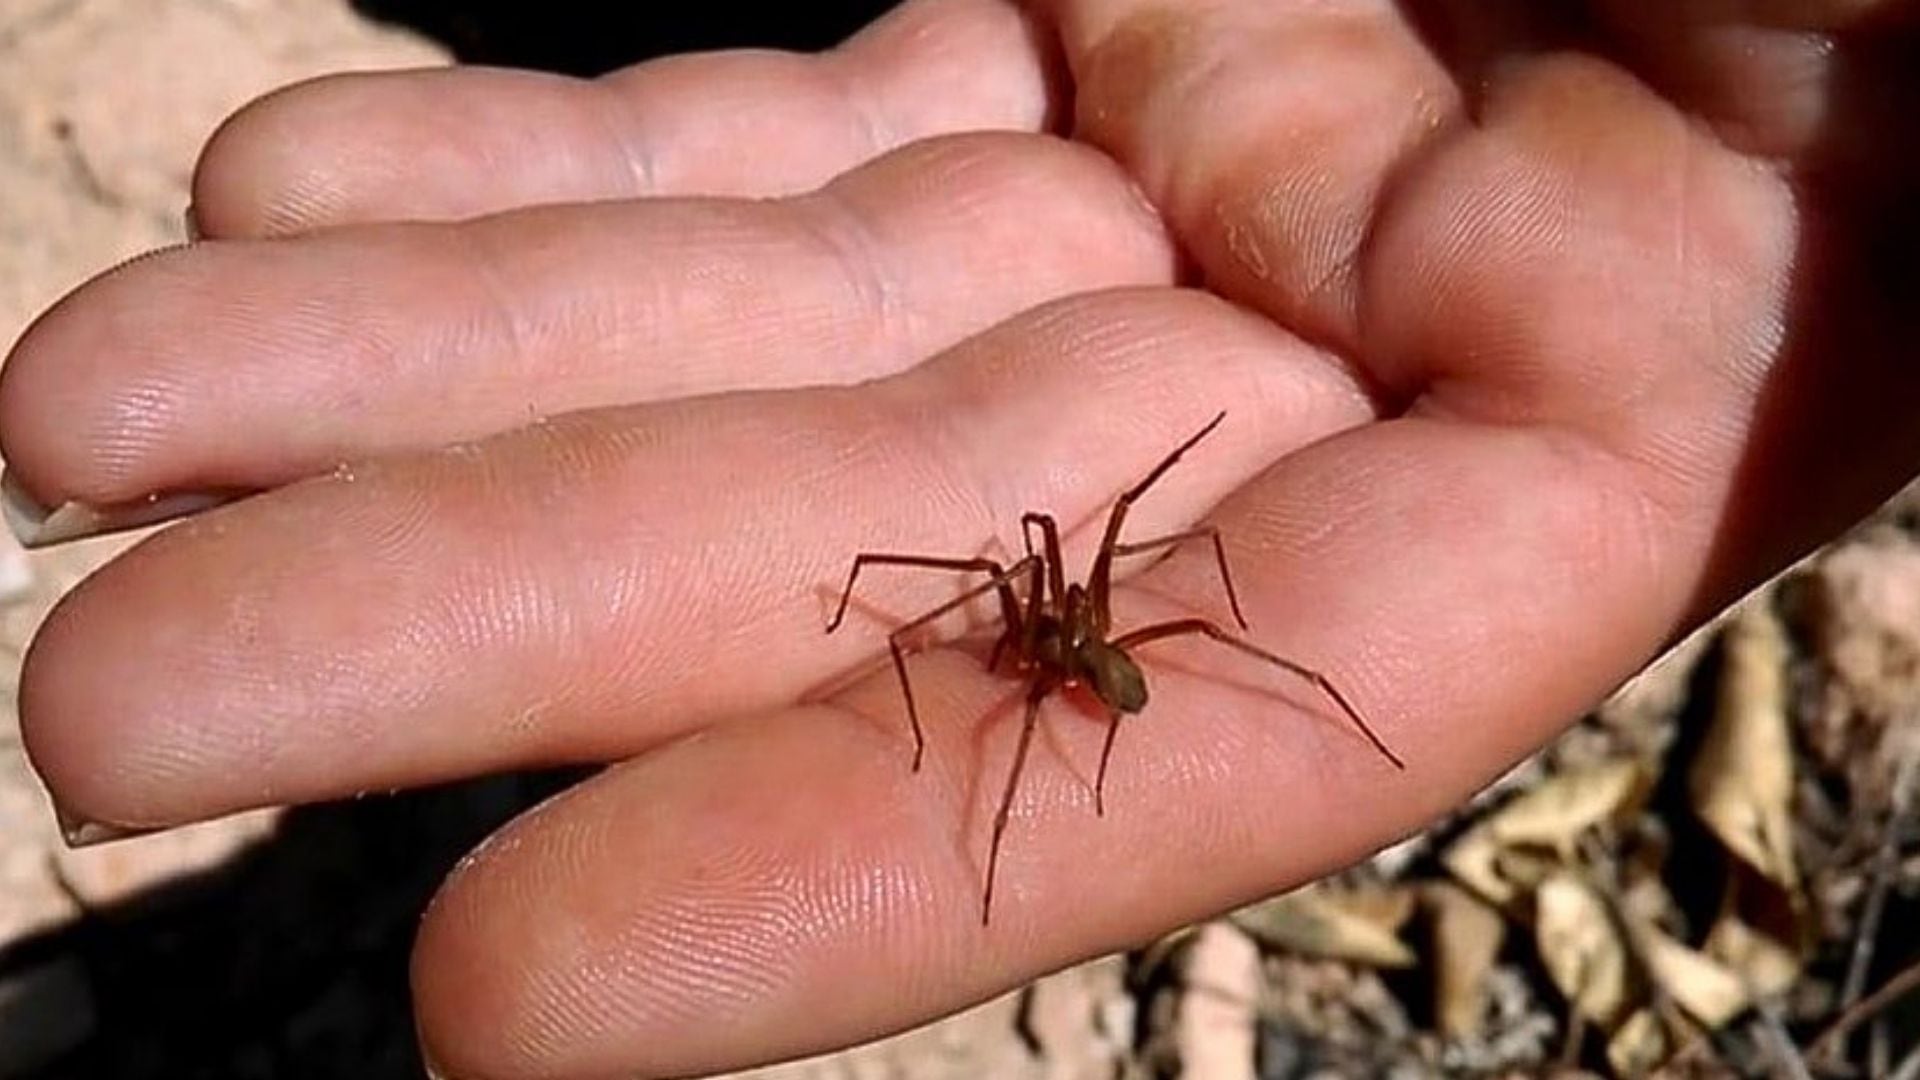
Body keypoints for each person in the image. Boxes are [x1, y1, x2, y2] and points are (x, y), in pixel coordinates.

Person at [2, 1, 1914, 1076]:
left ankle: (1184, 710)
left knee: (1097, 640)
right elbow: (1011, 581)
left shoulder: (1086, 640)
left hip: (1137, 645)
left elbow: (1085, 584)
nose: (1041, 611)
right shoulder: (1041, 614)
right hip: (1098, 626)